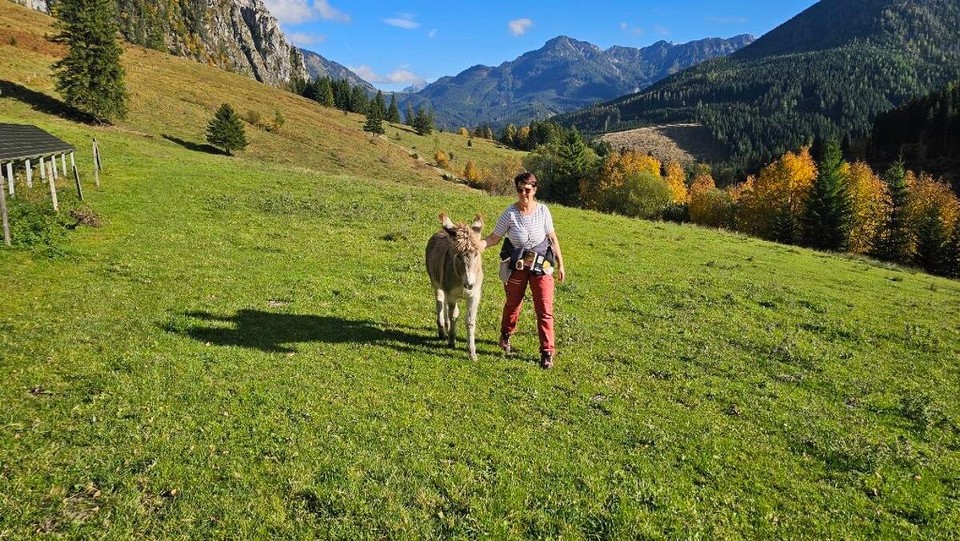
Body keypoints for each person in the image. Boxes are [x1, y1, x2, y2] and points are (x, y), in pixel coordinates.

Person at [481, 172, 566, 369]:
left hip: (541, 265)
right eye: (519, 190)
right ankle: (505, 336)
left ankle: (547, 352)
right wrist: (479, 244)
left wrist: (561, 264)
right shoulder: (509, 213)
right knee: (513, 304)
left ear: (534, 190)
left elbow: (552, 238)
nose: (523, 194)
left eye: (527, 190)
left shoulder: (543, 211)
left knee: (545, 309)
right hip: (518, 264)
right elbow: (494, 237)